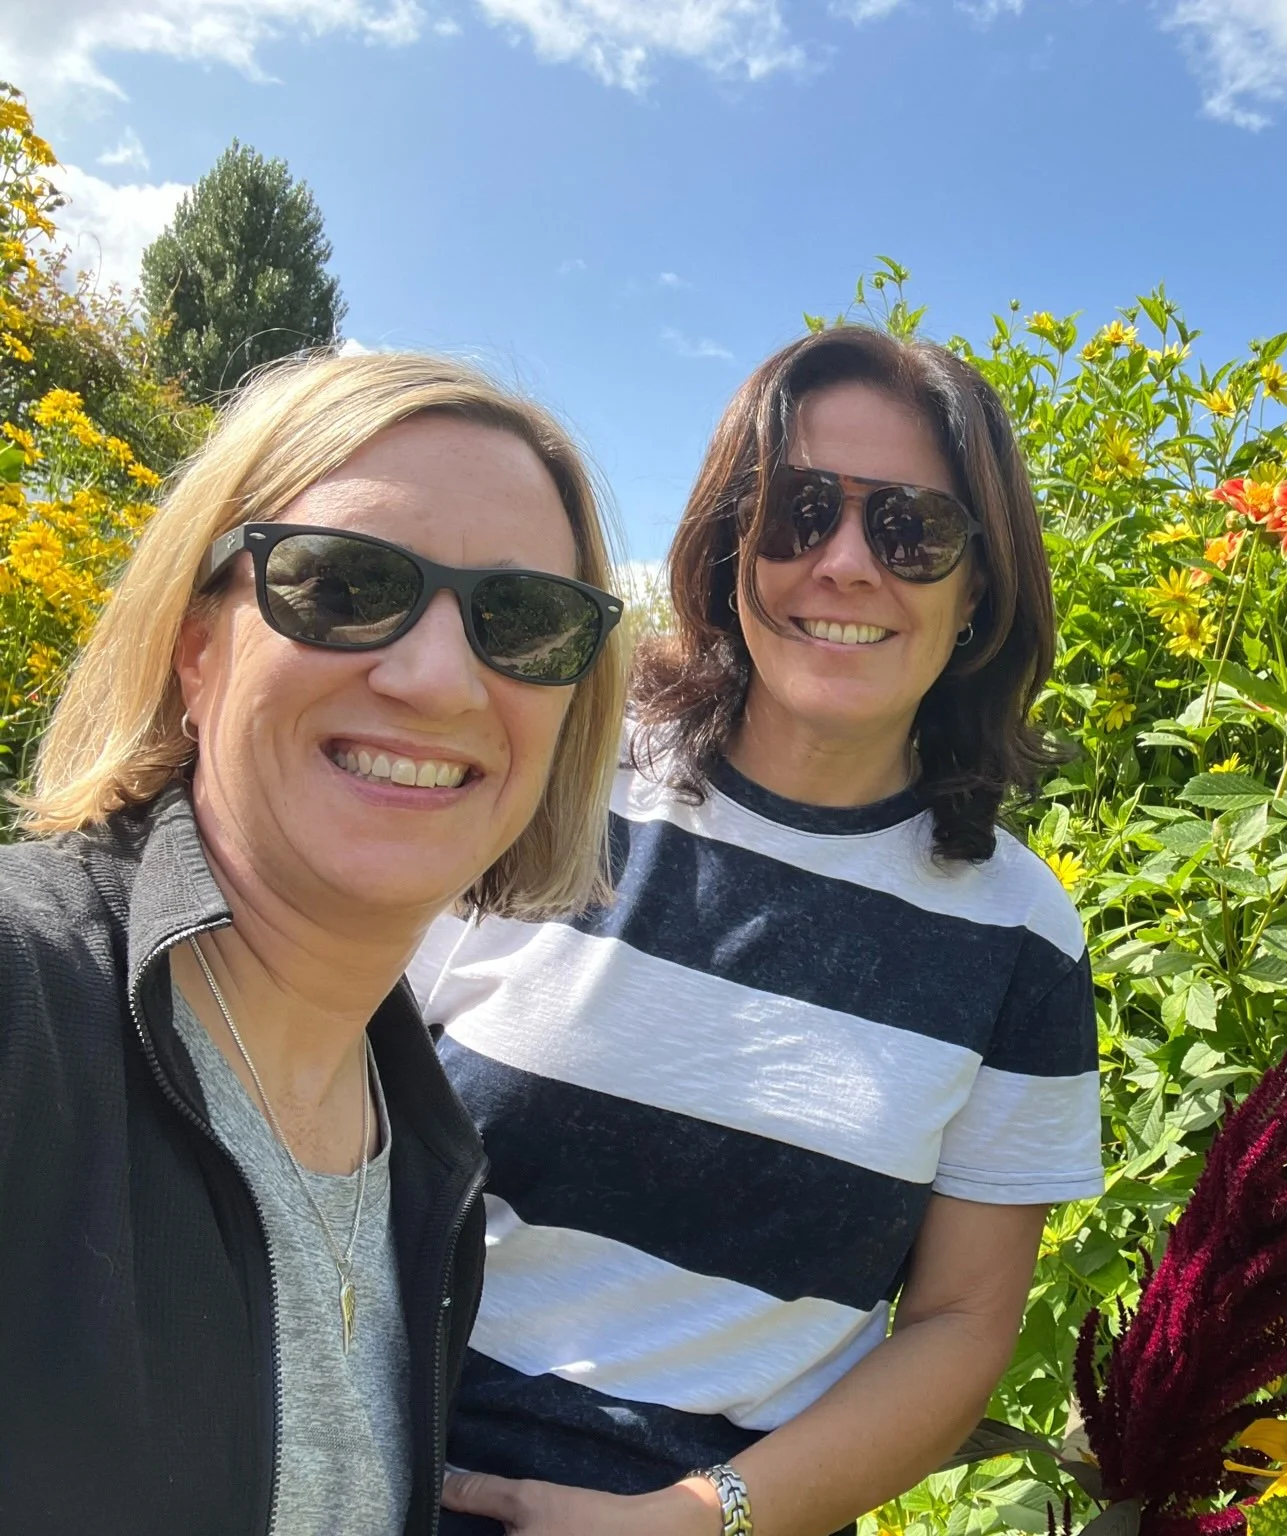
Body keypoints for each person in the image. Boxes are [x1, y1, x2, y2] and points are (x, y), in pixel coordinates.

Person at [415, 326, 1103, 1536]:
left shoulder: (1019, 937)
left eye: (911, 530)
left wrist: (696, 1515)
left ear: (980, 585)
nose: (844, 564)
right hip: (381, 1465)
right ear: (731, 541)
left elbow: (959, 1327)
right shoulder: (550, 778)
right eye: (797, 510)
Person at [0, 351, 630, 1536]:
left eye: (524, 620)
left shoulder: (423, 1149)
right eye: (344, 584)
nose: (440, 678)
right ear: (197, 646)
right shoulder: (23, 1007)